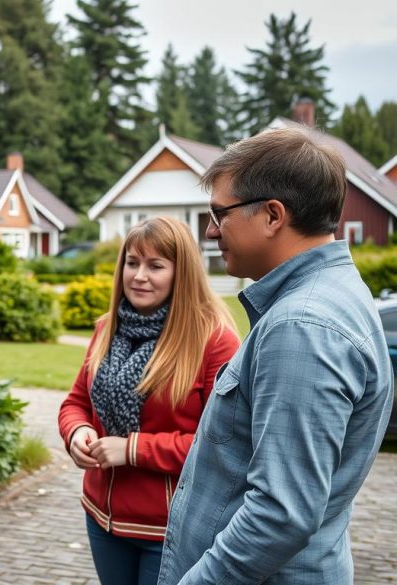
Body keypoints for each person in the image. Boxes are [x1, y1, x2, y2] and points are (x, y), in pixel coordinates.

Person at [157, 128, 394, 584]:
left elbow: (280, 514)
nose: (209, 230)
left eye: (218, 213)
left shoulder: (301, 326)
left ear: (272, 215)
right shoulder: (333, 295)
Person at [58, 217, 240, 585]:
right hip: (102, 520)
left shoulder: (214, 340)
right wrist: (76, 431)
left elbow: (223, 446)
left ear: (181, 273)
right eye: (132, 262)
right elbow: (76, 401)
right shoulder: (107, 327)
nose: (139, 275)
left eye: (155, 265)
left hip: (169, 530)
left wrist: (133, 449)